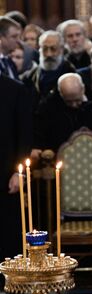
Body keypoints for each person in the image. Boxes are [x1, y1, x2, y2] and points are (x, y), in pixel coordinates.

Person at [33, 73, 92, 152]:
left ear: (83, 89)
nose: (73, 105)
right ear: (60, 93)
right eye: (68, 101)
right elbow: (40, 133)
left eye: (77, 100)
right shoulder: (48, 108)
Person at [0, 75, 31, 277]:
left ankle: (14, 283)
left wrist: (18, 172)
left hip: (7, 173)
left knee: (9, 230)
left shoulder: (15, 89)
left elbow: (24, 134)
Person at [21, 30, 76, 107]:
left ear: (61, 49)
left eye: (53, 49)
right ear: (39, 50)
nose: (49, 54)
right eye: (45, 49)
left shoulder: (73, 75)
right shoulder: (29, 77)